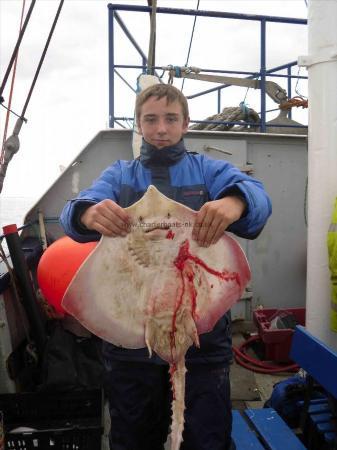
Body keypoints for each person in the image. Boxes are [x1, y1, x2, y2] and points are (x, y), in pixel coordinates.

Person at [60, 83, 272, 450]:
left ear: (186, 124)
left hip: (200, 333)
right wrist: (89, 212)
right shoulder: (121, 176)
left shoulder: (208, 171)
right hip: (131, 337)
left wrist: (235, 202)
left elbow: (256, 197)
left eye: (171, 119)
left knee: (205, 436)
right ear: (139, 125)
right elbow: (75, 211)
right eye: (151, 120)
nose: (161, 128)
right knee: (133, 434)